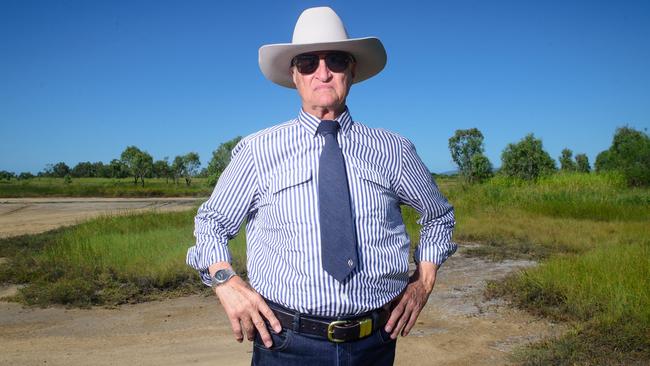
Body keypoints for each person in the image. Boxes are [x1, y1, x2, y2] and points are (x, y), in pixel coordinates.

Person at [186, 6, 456, 365]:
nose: (323, 72)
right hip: (286, 344)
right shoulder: (258, 151)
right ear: (294, 74)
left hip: (375, 343)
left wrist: (422, 284)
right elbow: (212, 223)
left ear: (353, 70)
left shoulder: (394, 150)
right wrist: (226, 282)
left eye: (337, 60)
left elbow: (439, 217)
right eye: (309, 62)